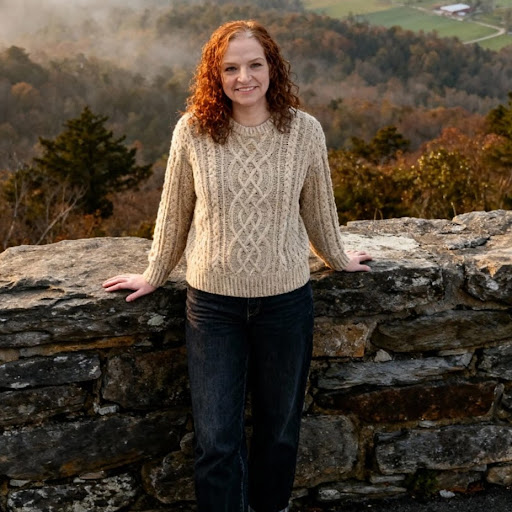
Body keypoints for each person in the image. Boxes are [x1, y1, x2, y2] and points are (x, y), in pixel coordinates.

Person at [103, 19, 372, 512]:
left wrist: (338, 256)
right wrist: (154, 273)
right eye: (230, 68)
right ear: (215, 75)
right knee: (216, 442)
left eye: (254, 64)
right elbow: (175, 211)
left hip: (286, 302)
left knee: (279, 433)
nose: (243, 77)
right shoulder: (194, 130)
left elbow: (317, 209)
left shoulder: (304, 131)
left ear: (272, 68)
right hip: (212, 306)